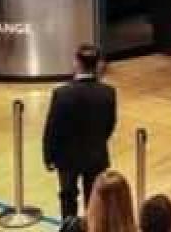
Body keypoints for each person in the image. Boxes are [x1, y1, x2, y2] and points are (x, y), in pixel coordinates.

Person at [43, 44, 117, 221]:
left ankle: (69, 228)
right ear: (97, 64)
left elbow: (53, 128)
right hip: (96, 154)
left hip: (67, 157)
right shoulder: (108, 92)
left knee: (68, 197)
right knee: (95, 200)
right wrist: (97, 141)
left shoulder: (62, 93)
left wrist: (48, 155)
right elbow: (110, 124)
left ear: (77, 63)